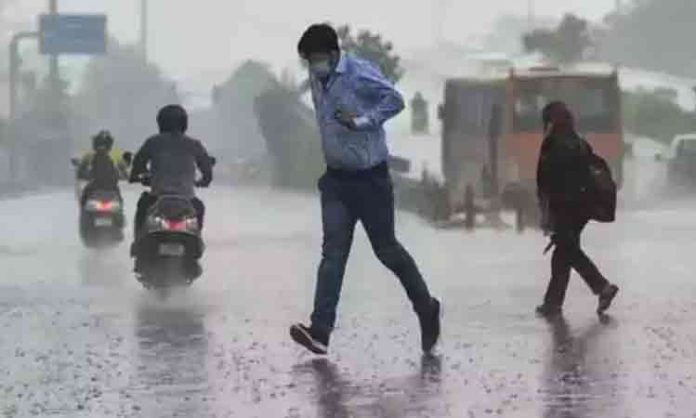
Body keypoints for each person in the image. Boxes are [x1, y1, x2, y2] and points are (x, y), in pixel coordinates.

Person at [289, 24, 441, 355]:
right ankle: (321, 330)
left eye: (315, 59)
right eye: (308, 61)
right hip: (336, 181)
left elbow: (395, 100)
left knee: (387, 251)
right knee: (332, 255)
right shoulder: (316, 79)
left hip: (371, 179)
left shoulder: (359, 73)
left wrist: (361, 121)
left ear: (332, 54)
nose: (313, 66)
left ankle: (426, 308)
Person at [535, 101, 619, 317]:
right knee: (563, 252)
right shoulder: (580, 143)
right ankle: (552, 302)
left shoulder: (552, 144)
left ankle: (602, 287)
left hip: (563, 207)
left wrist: (546, 212)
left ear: (551, 121)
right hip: (583, 207)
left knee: (568, 250)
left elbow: (545, 181)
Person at [129, 105, 213, 242]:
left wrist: (137, 177)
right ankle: (196, 241)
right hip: (187, 199)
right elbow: (207, 170)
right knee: (199, 208)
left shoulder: (153, 142)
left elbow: (138, 164)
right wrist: (204, 181)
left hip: (156, 198)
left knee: (143, 206)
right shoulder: (194, 144)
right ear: (184, 123)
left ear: (161, 122)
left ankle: (138, 243)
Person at [77, 130, 129, 205]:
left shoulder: (90, 155)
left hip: (95, 186)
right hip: (111, 187)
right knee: (120, 202)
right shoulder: (116, 154)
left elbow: (81, 170)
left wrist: (85, 175)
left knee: (84, 200)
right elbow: (124, 170)